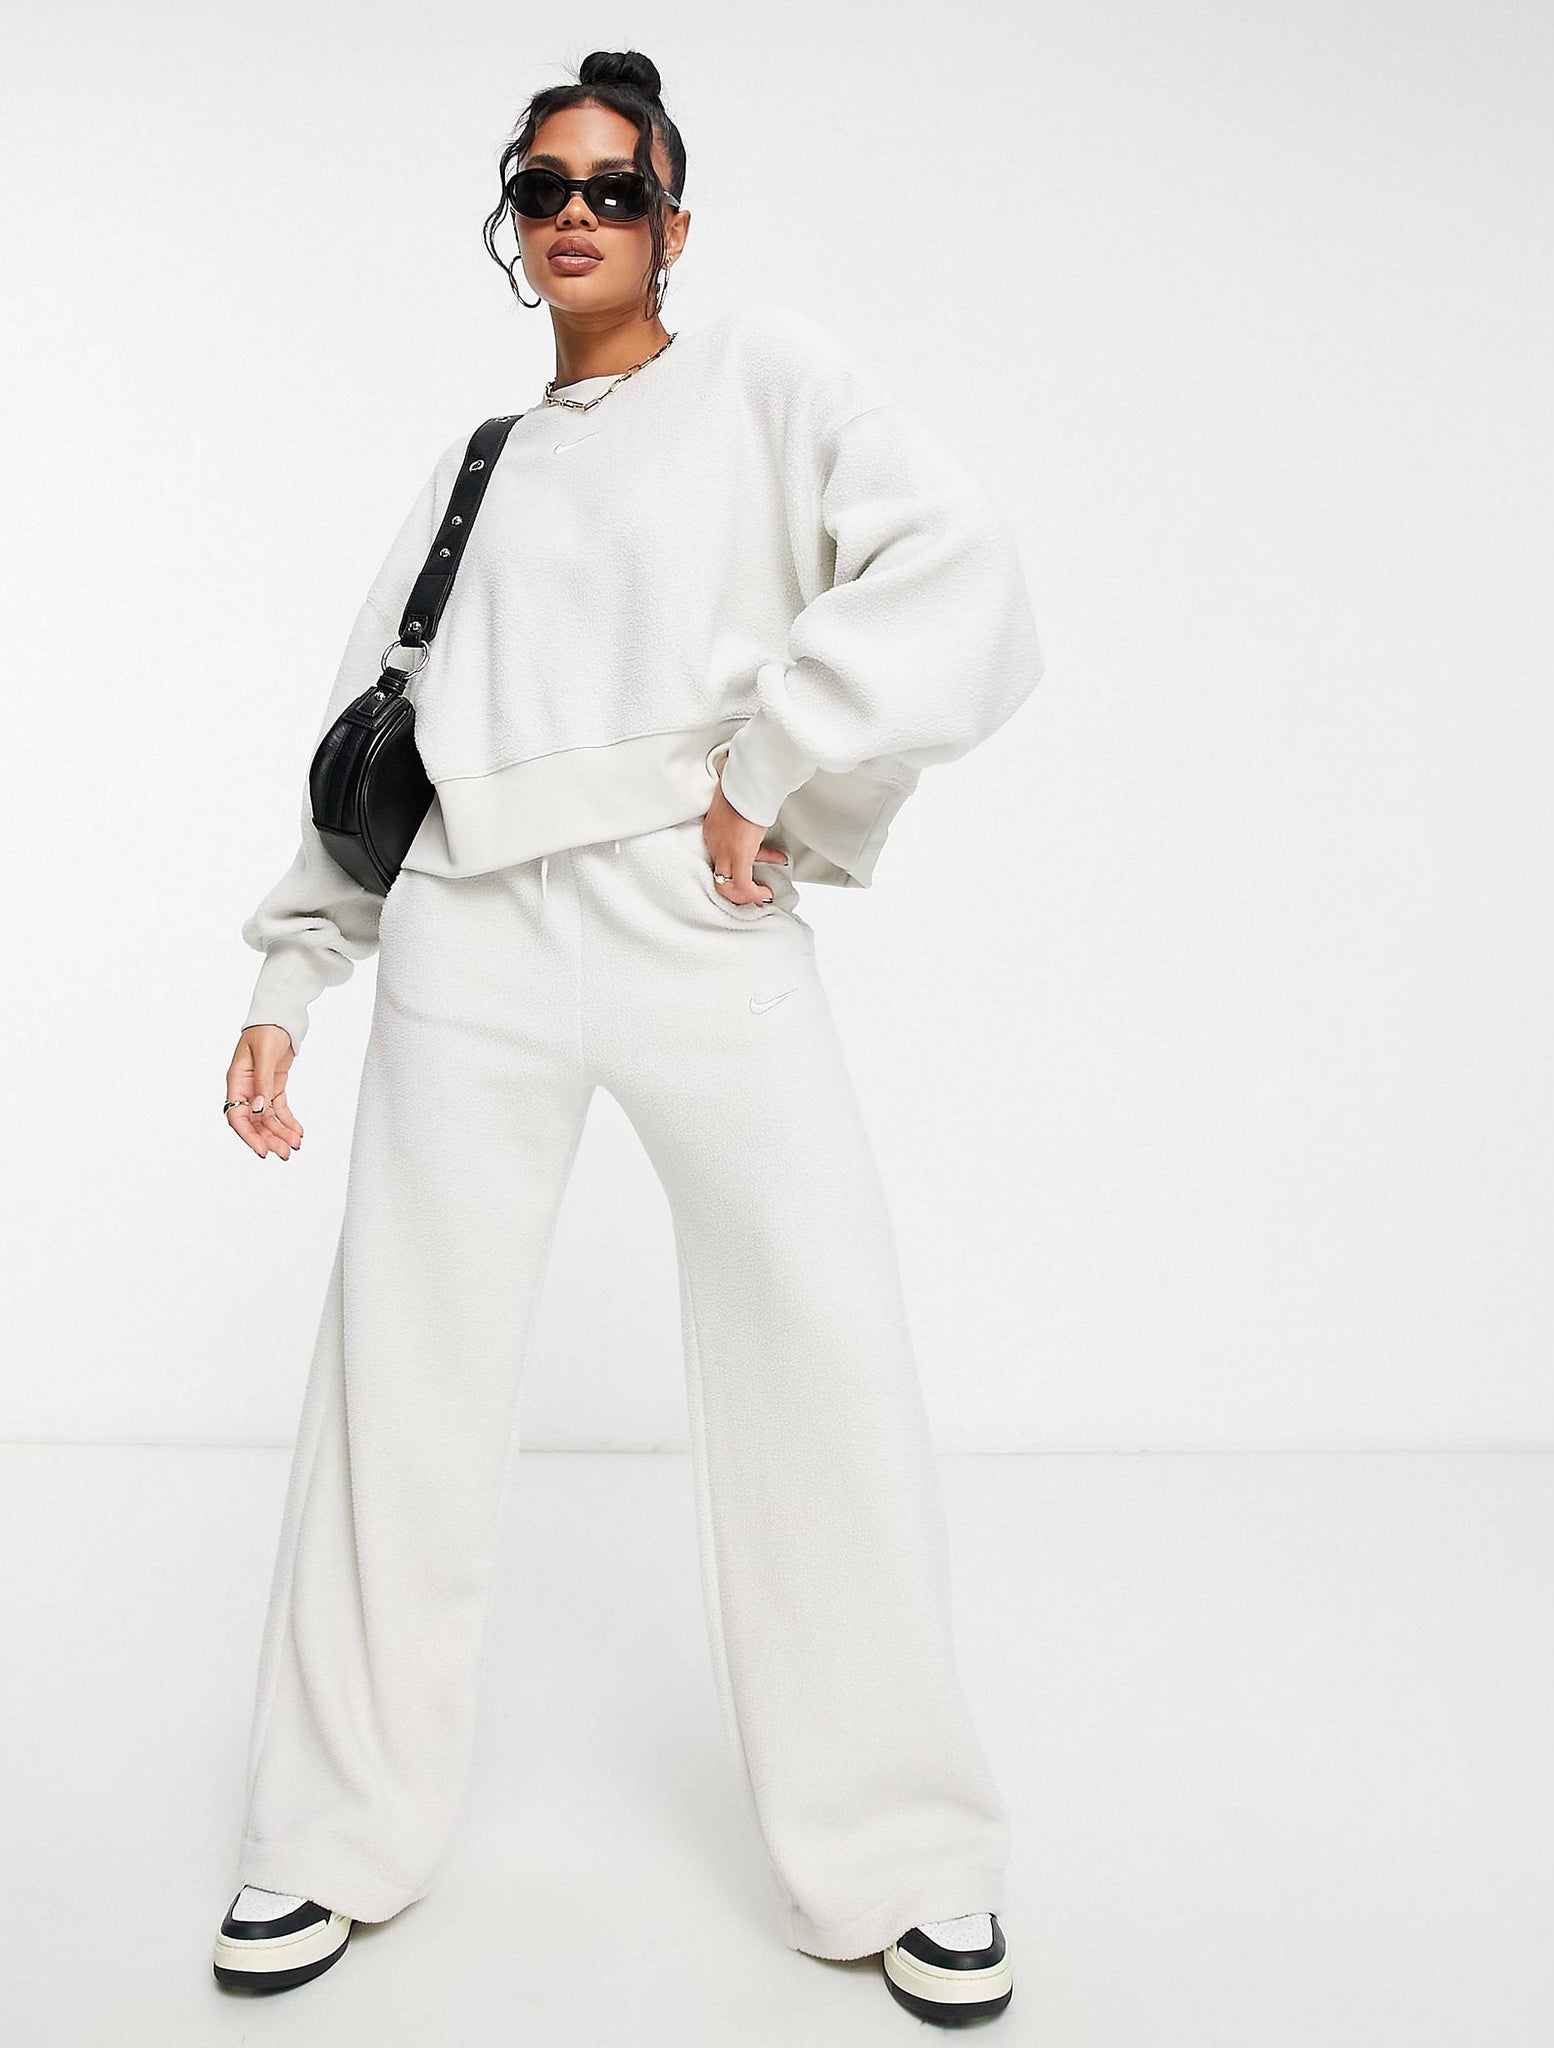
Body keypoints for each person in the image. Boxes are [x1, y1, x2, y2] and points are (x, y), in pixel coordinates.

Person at [212, 48, 1042, 2028]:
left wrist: (767, 769)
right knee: (400, 1380)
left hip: (693, 916)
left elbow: (963, 570)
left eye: (614, 185)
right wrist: (288, 975)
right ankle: (327, 1834)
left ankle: (901, 1852)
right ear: (511, 227)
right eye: (541, 187)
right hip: (466, 936)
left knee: (820, 1351)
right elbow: (376, 734)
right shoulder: (477, 468)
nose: (574, 212)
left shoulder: (764, 376)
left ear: (674, 220)